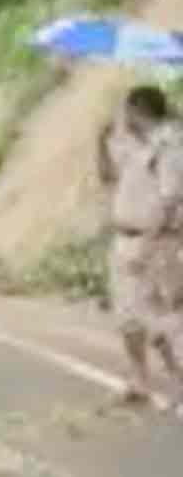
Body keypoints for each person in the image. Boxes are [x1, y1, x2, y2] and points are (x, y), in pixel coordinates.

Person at [97, 85, 183, 405]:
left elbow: (170, 200)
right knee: (128, 316)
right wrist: (100, 142)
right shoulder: (135, 146)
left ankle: (177, 379)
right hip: (126, 236)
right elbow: (108, 177)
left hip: (156, 241)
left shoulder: (170, 146)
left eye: (126, 111)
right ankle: (140, 379)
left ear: (136, 111)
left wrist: (147, 244)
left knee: (162, 314)